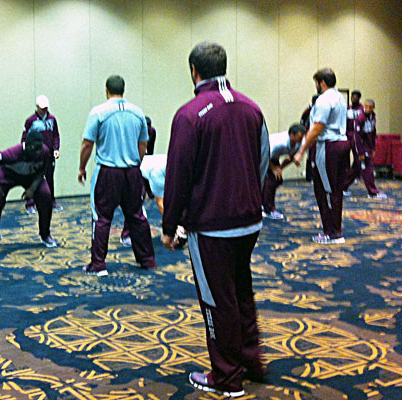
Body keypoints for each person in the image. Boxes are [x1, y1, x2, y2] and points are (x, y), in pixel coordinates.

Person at [162, 42, 269, 397]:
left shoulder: (190, 115)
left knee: (216, 299)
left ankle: (226, 378)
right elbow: (263, 162)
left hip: (211, 227)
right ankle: (252, 360)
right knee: (240, 292)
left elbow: (177, 176)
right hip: (250, 221)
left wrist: (169, 226)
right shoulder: (253, 109)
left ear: (194, 70)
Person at [78, 75, 157, 277]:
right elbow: (143, 145)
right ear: (123, 90)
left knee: (102, 218)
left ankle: (98, 265)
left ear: (106, 90)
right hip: (132, 172)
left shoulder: (98, 113)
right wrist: (134, 163)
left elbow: (88, 144)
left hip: (107, 172)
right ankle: (147, 261)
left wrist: (82, 167)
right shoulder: (138, 113)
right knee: (137, 216)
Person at [293, 68, 350, 244]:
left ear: (322, 83)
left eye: (316, 83)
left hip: (329, 146)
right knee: (336, 189)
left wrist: (301, 150)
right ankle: (336, 230)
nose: (316, 86)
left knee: (324, 189)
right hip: (342, 144)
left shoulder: (324, 100)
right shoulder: (340, 97)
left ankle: (331, 232)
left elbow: (317, 128)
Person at [0, 124, 57, 250]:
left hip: (31, 176)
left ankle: (45, 234)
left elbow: (42, 170)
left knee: (45, 195)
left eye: (39, 149)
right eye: (35, 149)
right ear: (27, 147)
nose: (38, 152)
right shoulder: (11, 154)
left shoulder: (44, 151)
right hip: (8, 175)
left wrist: (32, 189)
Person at [22, 95, 62, 214]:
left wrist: (56, 148)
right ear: (37, 107)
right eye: (42, 108)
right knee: (33, 178)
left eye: (46, 108)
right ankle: (30, 203)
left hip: (49, 155)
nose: (44, 110)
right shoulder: (31, 121)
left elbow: (56, 135)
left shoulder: (52, 119)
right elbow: (24, 138)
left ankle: (51, 202)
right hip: (35, 156)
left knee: (49, 178)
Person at [343, 100, 387, 199]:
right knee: (368, 168)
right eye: (366, 107)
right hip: (360, 146)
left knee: (356, 168)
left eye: (370, 107)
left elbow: (373, 132)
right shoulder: (360, 118)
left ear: (373, 108)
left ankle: (342, 187)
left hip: (367, 146)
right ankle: (372, 192)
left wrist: (373, 147)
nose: (367, 109)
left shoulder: (373, 117)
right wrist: (360, 152)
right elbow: (356, 137)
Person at [262, 123, 307, 220]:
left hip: (272, 157)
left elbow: (292, 157)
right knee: (271, 181)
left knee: (277, 180)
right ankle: (268, 210)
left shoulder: (300, 144)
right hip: (261, 153)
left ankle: (264, 203)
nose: (301, 139)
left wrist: (280, 168)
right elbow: (264, 155)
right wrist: (274, 169)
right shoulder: (279, 143)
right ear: (292, 135)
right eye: (299, 137)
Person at [300, 95, 319, 182]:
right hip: (310, 135)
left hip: (318, 136)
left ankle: (316, 176)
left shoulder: (321, 110)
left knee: (316, 156)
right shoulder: (308, 111)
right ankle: (309, 176)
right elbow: (302, 122)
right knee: (310, 155)